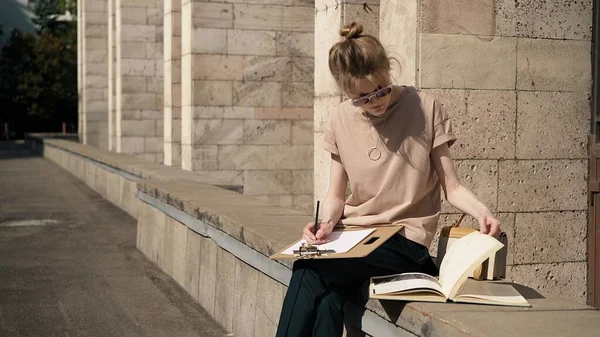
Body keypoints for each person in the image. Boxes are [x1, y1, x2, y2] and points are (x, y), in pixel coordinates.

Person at [274, 22, 501, 337]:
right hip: (352, 239)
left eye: (381, 89)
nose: (376, 101)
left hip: (404, 243)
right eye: (363, 98)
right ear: (348, 93)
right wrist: (325, 224)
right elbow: (336, 195)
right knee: (328, 300)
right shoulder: (340, 119)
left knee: (309, 268)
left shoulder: (424, 107)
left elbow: (453, 186)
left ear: (389, 71)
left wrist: (482, 212)